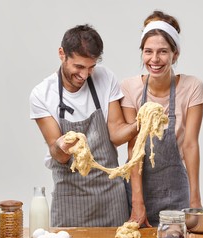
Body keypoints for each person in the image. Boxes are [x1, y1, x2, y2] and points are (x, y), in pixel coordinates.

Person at [30, 24, 137, 227]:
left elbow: (115, 133)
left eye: (91, 67)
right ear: (62, 54)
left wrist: (139, 124)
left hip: (110, 197)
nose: (85, 75)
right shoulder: (42, 95)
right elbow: (58, 154)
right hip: (70, 197)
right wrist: (61, 146)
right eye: (79, 67)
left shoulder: (105, 78)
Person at [121, 11, 203, 227]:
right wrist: (137, 202)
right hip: (137, 187)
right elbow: (134, 149)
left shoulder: (192, 88)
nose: (155, 59)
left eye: (163, 52)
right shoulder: (129, 88)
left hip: (176, 190)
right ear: (142, 53)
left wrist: (195, 199)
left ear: (175, 54)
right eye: (148, 51)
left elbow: (190, 145)